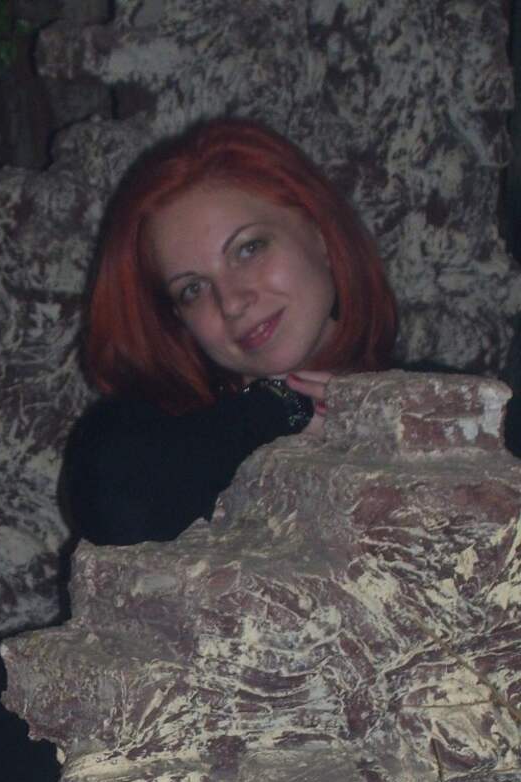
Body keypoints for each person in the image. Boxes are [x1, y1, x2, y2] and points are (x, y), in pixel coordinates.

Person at [64, 119, 399, 546]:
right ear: (178, 319)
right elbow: (120, 511)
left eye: (248, 248)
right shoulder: (138, 440)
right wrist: (283, 408)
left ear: (319, 233)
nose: (231, 301)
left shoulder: (449, 401)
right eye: (193, 289)